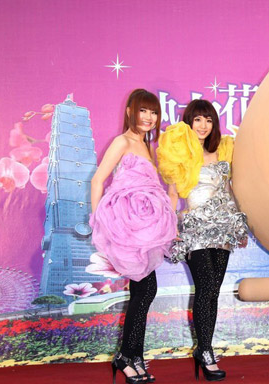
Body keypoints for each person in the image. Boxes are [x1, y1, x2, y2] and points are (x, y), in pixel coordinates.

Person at [157, 99, 248, 382]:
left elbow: (233, 188)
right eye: (198, 119)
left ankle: (204, 350)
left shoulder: (224, 149)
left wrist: (240, 224)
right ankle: (205, 351)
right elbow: (173, 193)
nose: (203, 125)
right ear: (189, 122)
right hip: (195, 227)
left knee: (213, 290)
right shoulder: (180, 153)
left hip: (223, 225)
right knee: (206, 284)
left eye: (208, 120)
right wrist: (171, 226)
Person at [90, 89, 177, 384]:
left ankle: (131, 356)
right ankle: (127, 357)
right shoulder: (122, 141)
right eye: (143, 111)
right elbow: (99, 179)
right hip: (127, 227)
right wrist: (99, 220)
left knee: (144, 291)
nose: (149, 118)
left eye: (153, 112)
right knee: (144, 290)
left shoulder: (146, 146)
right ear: (130, 111)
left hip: (145, 227)